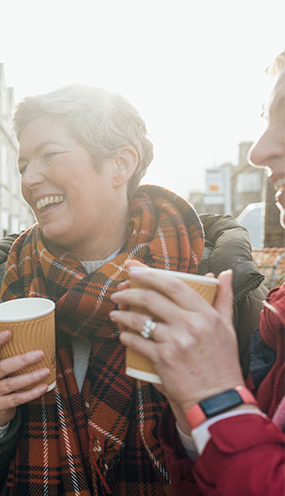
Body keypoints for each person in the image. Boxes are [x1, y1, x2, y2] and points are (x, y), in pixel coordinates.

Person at [0, 84, 266, 495]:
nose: (30, 179)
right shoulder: (3, 290)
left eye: (49, 155)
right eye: (23, 164)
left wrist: (194, 414)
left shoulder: (212, 285)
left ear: (120, 164)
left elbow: (259, 465)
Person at [110, 50, 285, 495]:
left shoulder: (242, 292)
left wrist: (217, 398)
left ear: (121, 166)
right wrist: (193, 409)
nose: (260, 151)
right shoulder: (278, 312)